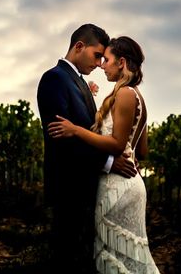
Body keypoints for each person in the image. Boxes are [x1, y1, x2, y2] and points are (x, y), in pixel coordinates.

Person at [48, 36, 160, 273]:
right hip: (130, 182)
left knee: (115, 258)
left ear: (121, 62)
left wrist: (76, 129)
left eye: (106, 59)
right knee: (130, 257)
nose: (102, 65)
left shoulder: (125, 94)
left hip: (117, 187)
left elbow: (118, 145)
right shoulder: (137, 95)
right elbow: (141, 150)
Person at [37, 24, 138, 273]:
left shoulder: (79, 82)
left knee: (83, 259)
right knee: (67, 259)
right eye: (97, 55)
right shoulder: (54, 78)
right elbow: (63, 138)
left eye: (104, 58)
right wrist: (109, 163)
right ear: (79, 46)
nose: (100, 63)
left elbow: (88, 130)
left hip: (86, 188)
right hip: (68, 188)